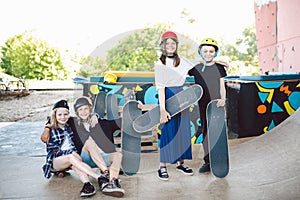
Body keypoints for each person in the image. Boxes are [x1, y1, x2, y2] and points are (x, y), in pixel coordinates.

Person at [41, 97, 125, 198]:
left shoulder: (102, 122)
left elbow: (123, 121)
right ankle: (105, 174)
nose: (84, 112)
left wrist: (139, 110)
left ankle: (113, 181)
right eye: (80, 109)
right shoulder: (74, 123)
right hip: (84, 157)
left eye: (86, 109)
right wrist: (47, 128)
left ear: (90, 109)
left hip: (99, 157)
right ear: (76, 112)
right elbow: (56, 117)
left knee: (118, 155)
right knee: (89, 142)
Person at [154, 31, 194, 181]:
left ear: (176, 45)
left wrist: (220, 62)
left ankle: (180, 163)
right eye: (167, 43)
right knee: (167, 131)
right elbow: (161, 88)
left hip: (181, 95)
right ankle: (162, 166)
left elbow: (199, 66)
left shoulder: (183, 61)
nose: (170, 46)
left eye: (173, 43)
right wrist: (163, 109)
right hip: (167, 96)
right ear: (163, 46)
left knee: (182, 130)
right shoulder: (160, 63)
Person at [42, 99, 102, 197]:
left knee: (76, 165)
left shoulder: (69, 125)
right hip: (55, 161)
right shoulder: (52, 130)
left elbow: (85, 117)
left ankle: (87, 184)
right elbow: (53, 151)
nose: (63, 117)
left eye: (65, 114)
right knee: (72, 157)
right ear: (55, 116)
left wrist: (95, 116)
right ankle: (99, 177)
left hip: (71, 159)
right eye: (60, 115)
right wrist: (71, 153)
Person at [188, 37, 227, 174]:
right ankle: (207, 161)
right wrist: (198, 61)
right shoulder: (197, 68)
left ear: (215, 53)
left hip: (217, 103)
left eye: (211, 51)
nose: (208, 54)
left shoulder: (219, 67)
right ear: (201, 52)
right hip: (203, 104)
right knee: (205, 131)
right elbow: (184, 66)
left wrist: (223, 99)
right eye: (205, 51)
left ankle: (219, 158)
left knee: (217, 131)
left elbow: (222, 85)